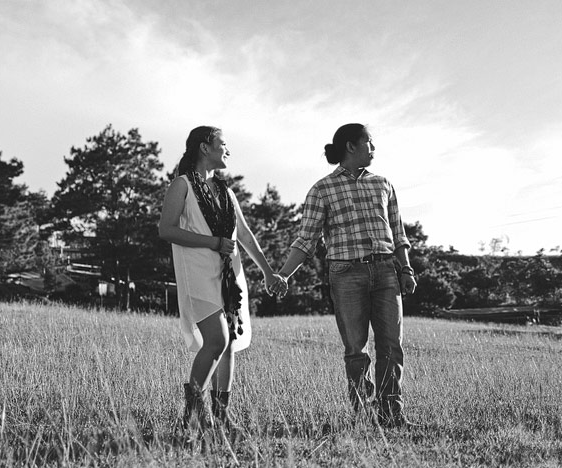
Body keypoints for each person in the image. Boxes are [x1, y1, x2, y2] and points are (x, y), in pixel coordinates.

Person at [277, 123, 419, 427]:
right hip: (346, 273)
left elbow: (398, 233)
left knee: (391, 346)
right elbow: (306, 241)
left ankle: (391, 414)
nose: (373, 148)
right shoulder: (322, 189)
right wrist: (284, 275)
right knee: (356, 349)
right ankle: (364, 415)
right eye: (369, 142)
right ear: (352, 146)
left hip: (385, 271)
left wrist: (406, 268)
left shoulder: (384, 184)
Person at [159, 126, 287, 435]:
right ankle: (191, 415)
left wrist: (269, 272)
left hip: (228, 276)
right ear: (205, 148)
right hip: (197, 274)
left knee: (228, 344)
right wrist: (213, 243)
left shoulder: (226, 191)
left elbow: (243, 234)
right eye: (223, 144)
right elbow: (166, 230)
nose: (227, 150)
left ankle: (220, 415)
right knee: (217, 340)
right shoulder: (182, 185)